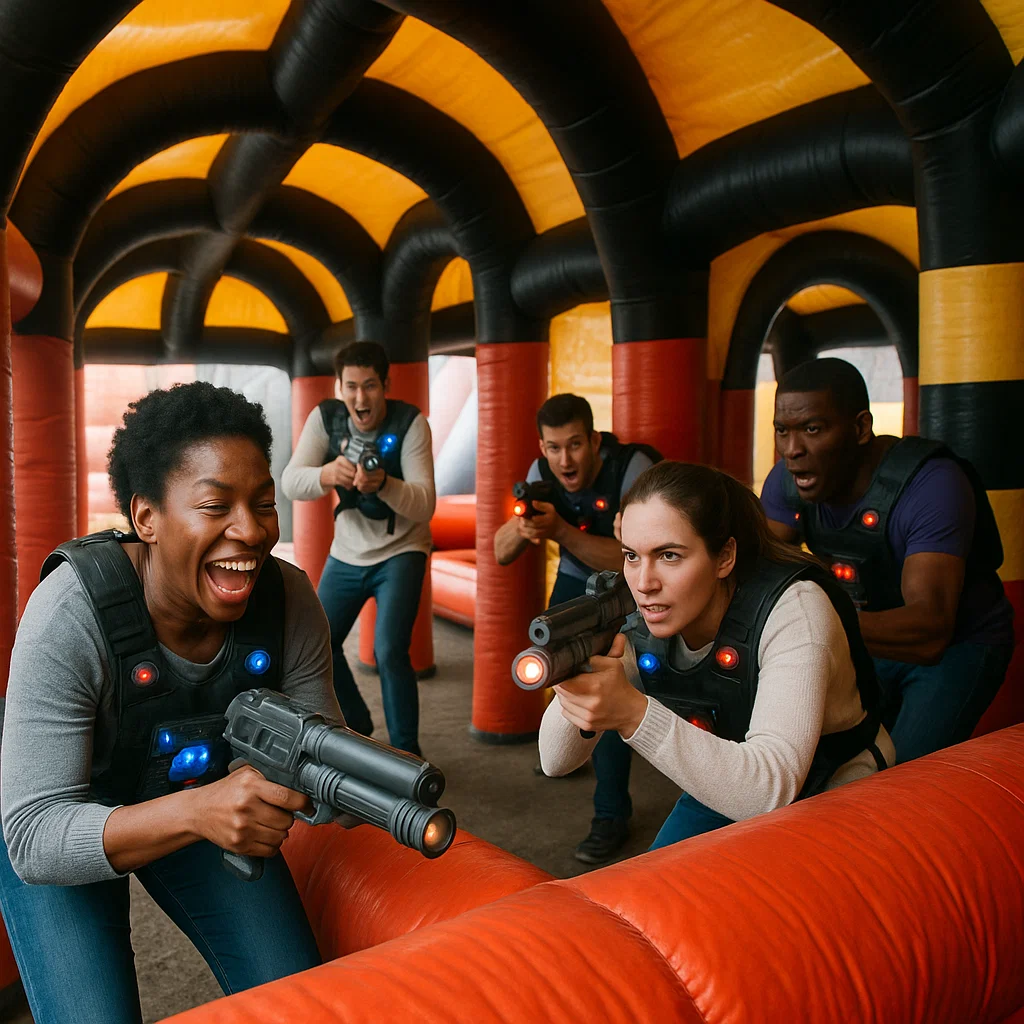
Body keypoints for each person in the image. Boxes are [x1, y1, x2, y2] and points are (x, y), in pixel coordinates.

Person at [0, 382, 339, 1024]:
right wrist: (197, 811)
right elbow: (33, 837)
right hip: (60, 806)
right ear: (146, 517)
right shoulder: (69, 614)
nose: (251, 530)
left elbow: (320, 745)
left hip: (198, 794)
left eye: (263, 504)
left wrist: (357, 785)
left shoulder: (288, 598)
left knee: (297, 1002)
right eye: (216, 505)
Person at [539, 461, 893, 848]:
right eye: (632, 555)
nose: (644, 583)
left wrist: (633, 714)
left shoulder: (795, 611)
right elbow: (556, 760)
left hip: (836, 779)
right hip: (729, 772)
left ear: (724, 557)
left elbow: (769, 791)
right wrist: (582, 667)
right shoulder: (642, 607)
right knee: (659, 889)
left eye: (669, 555)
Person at [761, 357, 1014, 763]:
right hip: (866, 630)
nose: (793, 450)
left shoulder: (933, 486)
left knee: (902, 779)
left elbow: (930, 630)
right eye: (782, 431)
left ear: (861, 428)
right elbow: (755, 571)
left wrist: (815, 619)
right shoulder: (788, 483)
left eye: (813, 429)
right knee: (820, 761)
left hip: (956, 645)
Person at [494, 394, 658, 864]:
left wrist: (561, 531)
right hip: (577, 576)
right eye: (552, 448)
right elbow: (501, 553)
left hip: (637, 581)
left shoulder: (633, 469)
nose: (564, 460)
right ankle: (581, 755)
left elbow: (638, 559)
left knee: (607, 688)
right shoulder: (539, 474)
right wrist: (524, 527)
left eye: (574, 446)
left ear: (595, 441)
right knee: (558, 666)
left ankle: (611, 815)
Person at [282, 342, 435, 757]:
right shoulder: (326, 418)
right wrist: (327, 473)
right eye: (351, 386)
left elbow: (425, 505)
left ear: (386, 385)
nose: (360, 398)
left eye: (370, 386)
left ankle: (408, 756)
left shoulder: (411, 423)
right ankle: (359, 728)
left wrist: (385, 484)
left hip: (402, 548)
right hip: (348, 551)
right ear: (339, 386)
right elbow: (291, 482)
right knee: (319, 642)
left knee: (389, 650)